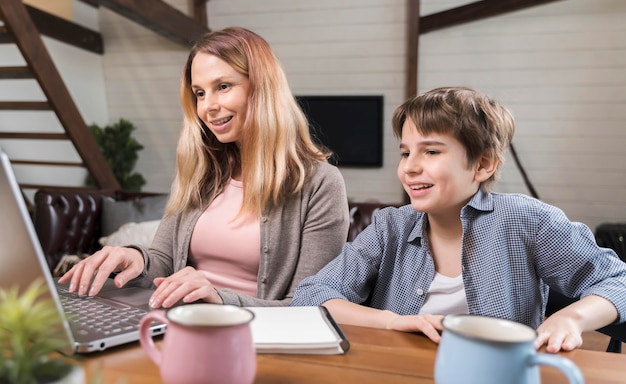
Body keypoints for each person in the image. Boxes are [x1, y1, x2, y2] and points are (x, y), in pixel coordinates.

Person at [291, 86, 626, 353]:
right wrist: (392, 322)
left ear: (483, 165)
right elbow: (312, 294)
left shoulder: (529, 221)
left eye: (432, 151)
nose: (409, 167)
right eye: (406, 152)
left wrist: (571, 318)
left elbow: (618, 281)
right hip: (397, 376)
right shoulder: (389, 226)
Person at [60, 27, 349, 308]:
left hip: (254, 340)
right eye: (199, 93)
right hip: (180, 324)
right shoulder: (199, 171)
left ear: (262, 88)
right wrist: (135, 259)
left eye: (223, 87)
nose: (208, 106)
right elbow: (163, 261)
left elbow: (309, 306)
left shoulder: (319, 183)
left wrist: (219, 298)